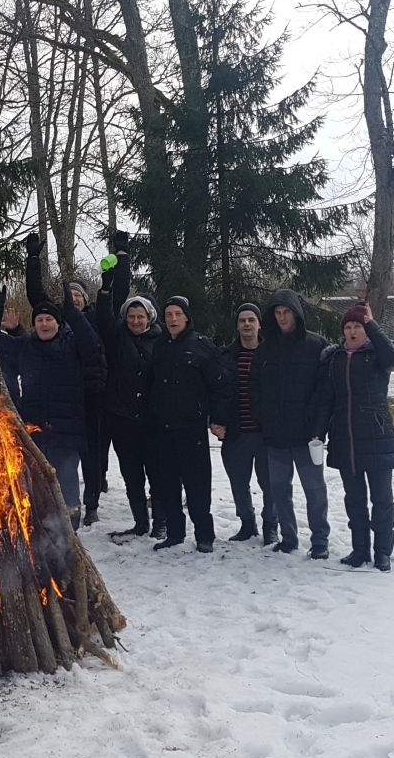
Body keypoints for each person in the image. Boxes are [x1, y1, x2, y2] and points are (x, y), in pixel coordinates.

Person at [0, 278, 101, 526]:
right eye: (39, 320)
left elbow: (92, 344)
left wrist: (71, 311)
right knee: (37, 488)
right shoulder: (25, 346)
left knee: (67, 489)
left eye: (49, 319)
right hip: (35, 433)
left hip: (66, 434)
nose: (44, 323)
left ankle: (70, 536)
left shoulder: (72, 346)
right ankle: (42, 533)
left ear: (58, 323)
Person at [24, 233, 108, 524]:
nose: (73, 301)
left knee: (86, 461)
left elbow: (93, 344)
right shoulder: (52, 328)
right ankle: (47, 519)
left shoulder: (87, 325)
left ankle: (88, 506)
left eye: (77, 297)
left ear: (84, 301)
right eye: (68, 297)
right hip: (56, 408)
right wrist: (33, 259)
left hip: (89, 400)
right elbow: (37, 298)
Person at [149, 296, 234, 552]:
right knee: (168, 484)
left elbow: (219, 386)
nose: (173, 319)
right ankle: (175, 533)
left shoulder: (202, 346)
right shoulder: (160, 346)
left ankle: (204, 535)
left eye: (178, 314)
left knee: (197, 484)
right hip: (163, 427)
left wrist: (218, 419)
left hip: (192, 427)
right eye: (169, 315)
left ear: (186, 317)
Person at [95, 232, 165, 538]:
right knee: (131, 475)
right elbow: (105, 316)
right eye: (132, 316)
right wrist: (106, 289)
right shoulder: (117, 338)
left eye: (141, 316)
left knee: (157, 474)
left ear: (149, 318)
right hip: (123, 419)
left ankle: (161, 522)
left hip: (151, 419)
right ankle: (141, 522)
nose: (136, 320)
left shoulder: (161, 343)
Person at [255, 289, 333, 557]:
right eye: (277, 313)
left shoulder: (316, 345)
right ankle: (288, 538)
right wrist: (262, 420)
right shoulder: (264, 349)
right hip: (275, 435)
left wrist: (318, 429)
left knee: (315, 491)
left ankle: (320, 540)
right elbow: (255, 388)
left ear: (296, 313)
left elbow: (325, 393)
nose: (281, 318)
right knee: (279, 491)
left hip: (306, 435)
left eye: (286, 312)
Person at [324, 302, 394, 570]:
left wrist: (373, 325)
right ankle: (360, 550)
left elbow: (393, 358)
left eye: (358, 326)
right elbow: (328, 400)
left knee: (381, 499)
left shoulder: (377, 355)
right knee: (354, 499)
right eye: (348, 326)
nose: (353, 331)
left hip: (377, 435)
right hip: (345, 438)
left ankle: (382, 552)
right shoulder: (334, 359)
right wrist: (317, 432)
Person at [219, 303, 277, 543]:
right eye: (242, 320)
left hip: (267, 434)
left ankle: (271, 526)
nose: (247, 324)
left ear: (259, 324)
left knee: (270, 485)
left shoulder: (272, 354)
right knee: (238, 484)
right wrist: (218, 421)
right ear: (237, 325)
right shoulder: (225, 356)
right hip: (236, 433)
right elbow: (218, 392)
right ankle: (247, 524)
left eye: (251, 320)